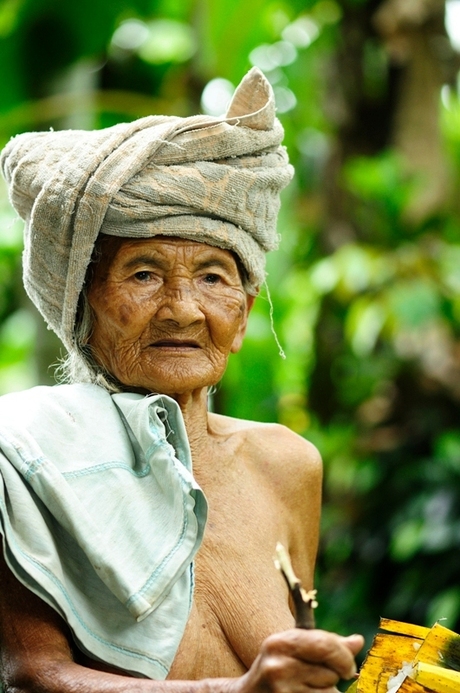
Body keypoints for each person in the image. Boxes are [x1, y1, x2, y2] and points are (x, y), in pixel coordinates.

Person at [0, 67, 363, 693]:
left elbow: (296, 664)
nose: (183, 308)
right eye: (143, 273)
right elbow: (34, 675)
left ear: (244, 316)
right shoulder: (25, 450)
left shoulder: (288, 466)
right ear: (82, 306)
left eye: (214, 277)